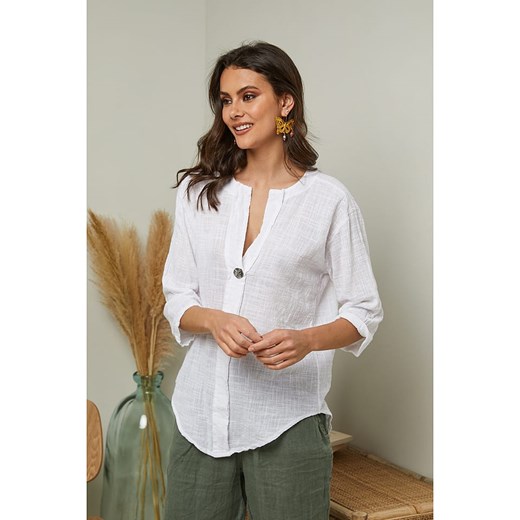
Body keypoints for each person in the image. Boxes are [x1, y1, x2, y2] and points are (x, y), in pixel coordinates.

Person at [162, 41, 383, 520]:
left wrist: (306, 340)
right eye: (226, 100)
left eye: (248, 96)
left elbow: (363, 311)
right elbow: (177, 294)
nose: (234, 112)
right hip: (199, 416)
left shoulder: (328, 201)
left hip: (287, 420)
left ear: (285, 102)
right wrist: (214, 320)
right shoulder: (199, 193)